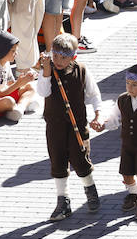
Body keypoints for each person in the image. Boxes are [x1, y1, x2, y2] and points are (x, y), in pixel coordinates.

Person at [36, 33, 105, 221]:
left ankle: (90, 189)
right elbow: (43, 91)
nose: (58, 61)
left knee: (81, 159)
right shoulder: (48, 71)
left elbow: (93, 93)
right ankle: (63, 201)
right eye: (55, 56)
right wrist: (46, 72)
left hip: (77, 125)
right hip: (55, 126)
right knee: (57, 160)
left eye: (64, 57)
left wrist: (98, 113)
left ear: (73, 57)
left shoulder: (81, 70)